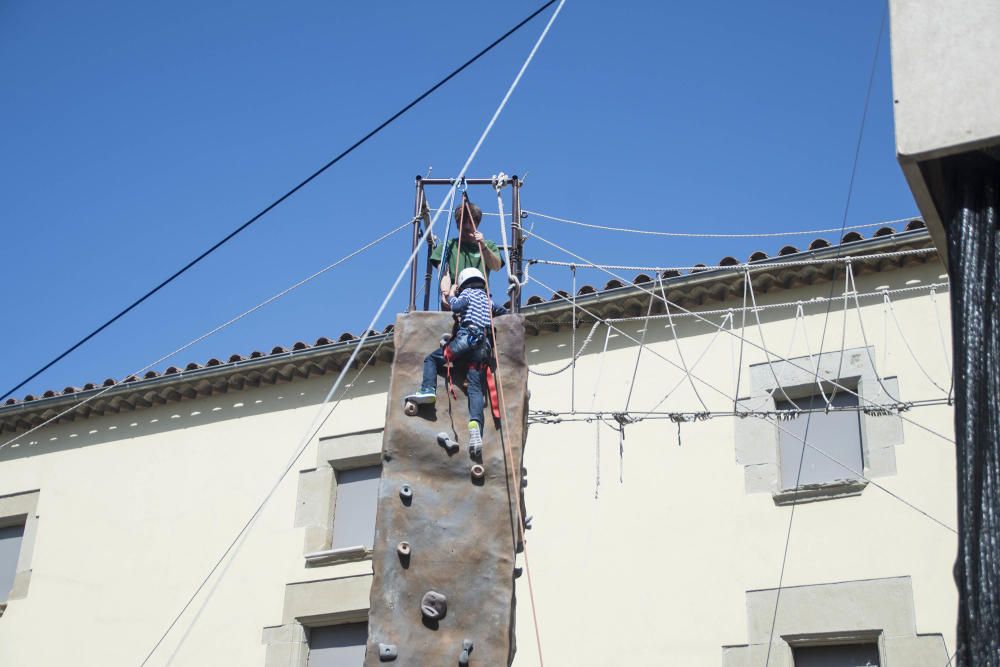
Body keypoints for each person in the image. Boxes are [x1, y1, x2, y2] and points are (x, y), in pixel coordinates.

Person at [406, 267, 507, 457]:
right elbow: (502, 311)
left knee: (432, 359)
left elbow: (456, 307)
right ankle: (475, 424)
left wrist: (451, 294)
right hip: (483, 347)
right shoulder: (487, 300)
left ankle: (428, 390)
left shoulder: (467, 293)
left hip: (466, 338)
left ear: (463, 283)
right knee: (476, 388)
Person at [430, 196, 504, 309]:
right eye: (463, 222)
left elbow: (496, 266)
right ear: (457, 223)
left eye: (471, 222)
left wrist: (483, 246)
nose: (467, 226)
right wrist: (445, 292)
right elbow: (444, 272)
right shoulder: (447, 246)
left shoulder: (488, 245)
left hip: (480, 300)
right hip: (455, 298)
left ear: (477, 224)